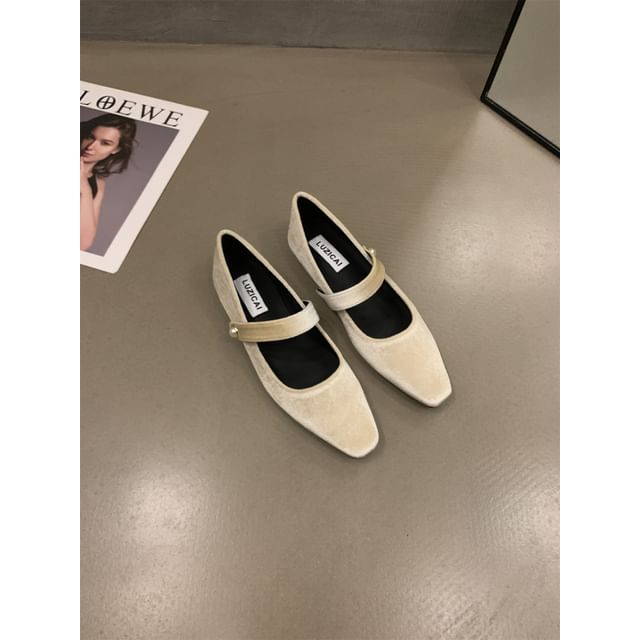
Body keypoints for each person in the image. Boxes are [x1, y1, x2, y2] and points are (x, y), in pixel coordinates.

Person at [80, 114, 137, 251]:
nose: (91, 146)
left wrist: (84, 186)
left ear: (117, 149)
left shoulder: (98, 183)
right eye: (90, 137)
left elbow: (83, 243)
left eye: (105, 143)